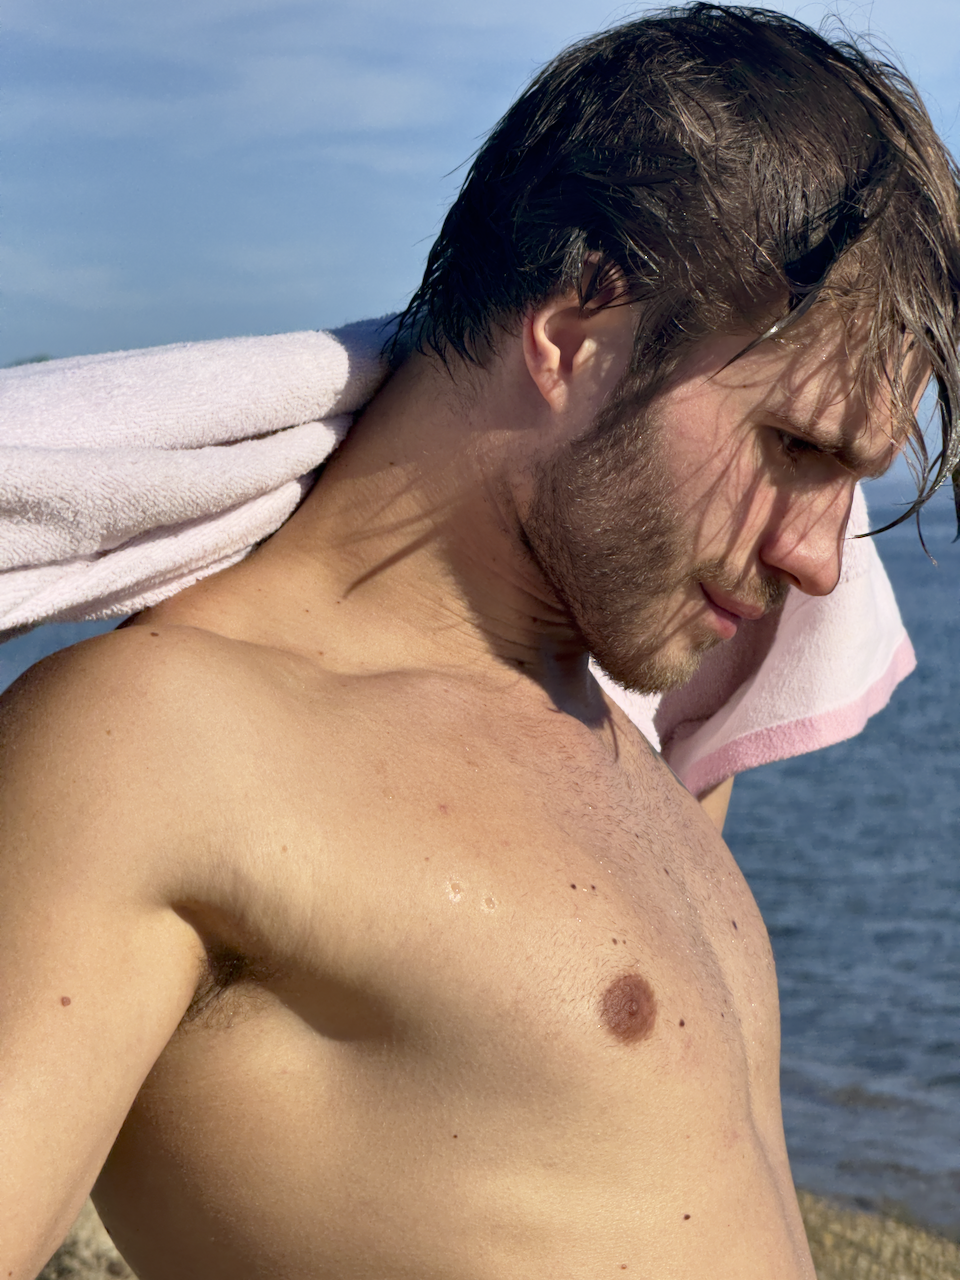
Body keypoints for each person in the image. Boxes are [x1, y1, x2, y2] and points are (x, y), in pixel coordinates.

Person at [3, 5, 959, 1278]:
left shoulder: (643, 746)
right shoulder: (159, 742)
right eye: (793, 447)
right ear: (572, 332)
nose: (821, 562)